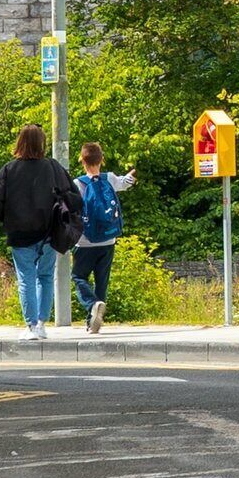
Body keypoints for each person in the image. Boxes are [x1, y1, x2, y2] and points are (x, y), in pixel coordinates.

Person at [0, 125, 77, 342]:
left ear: (20, 142)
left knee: (26, 279)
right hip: (49, 234)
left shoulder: (9, 169)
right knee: (45, 277)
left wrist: (5, 218)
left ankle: (31, 325)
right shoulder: (53, 167)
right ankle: (42, 323)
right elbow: (72, 196)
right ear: (42, 143)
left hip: (20, 233)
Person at [70, 142, 135, 336]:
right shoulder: (110, 178)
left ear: (82, 161)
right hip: (108, 240)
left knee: (78, 276)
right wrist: (130, 177)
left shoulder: (78, 184)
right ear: (102, 160)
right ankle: (93, 322)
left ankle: (92, 305)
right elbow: (126, 183)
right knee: (101, 281)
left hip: (85, 241)